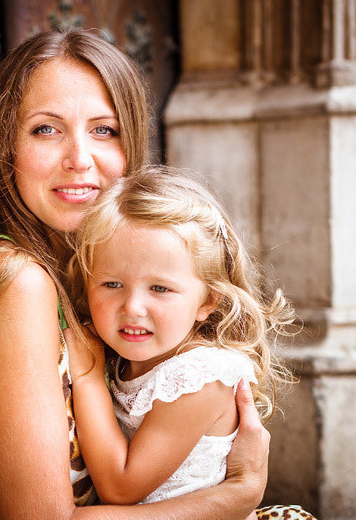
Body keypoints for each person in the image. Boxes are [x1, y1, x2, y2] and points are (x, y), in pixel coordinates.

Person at [0, 28, 311, 519]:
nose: (80, 159)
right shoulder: (15, 281)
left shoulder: (88, 284)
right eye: (46, 129)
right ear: (4, 147)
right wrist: (238, 494)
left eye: (104, 130)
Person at [64, 167, 295, 511]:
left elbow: (121, 485)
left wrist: (87, 377)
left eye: (160, 288)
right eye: (112, 284)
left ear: (206, 302)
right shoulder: (124, 359)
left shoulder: (198, 377)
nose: (133, 307)